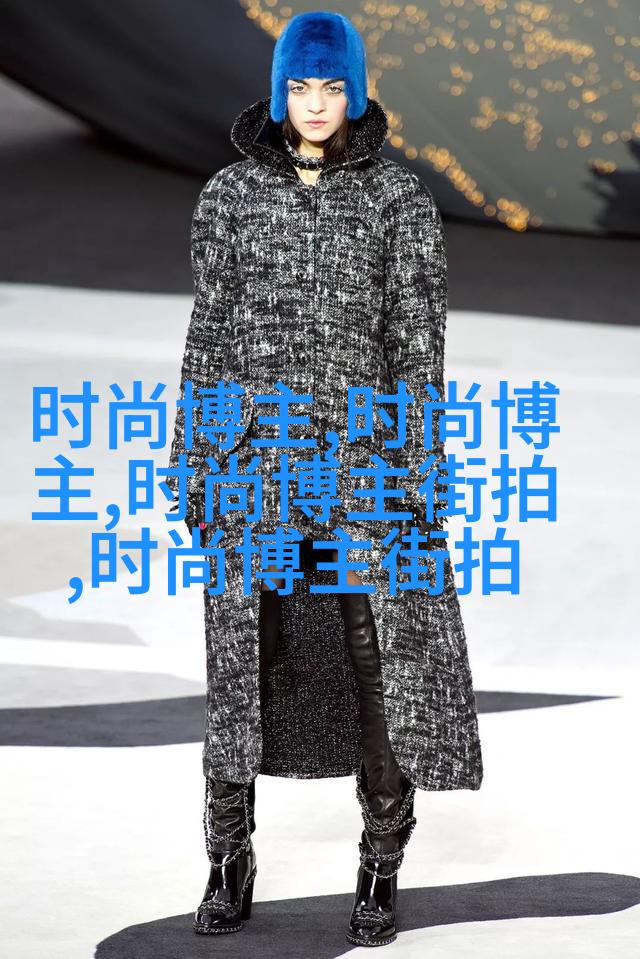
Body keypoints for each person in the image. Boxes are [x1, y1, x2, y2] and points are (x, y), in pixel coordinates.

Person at [166, 10, 483, 948]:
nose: (314, 104)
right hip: (255, 465)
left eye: (332, 86)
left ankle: (381, 862)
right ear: (278, 92)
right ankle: (228, 858)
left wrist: (419, 465)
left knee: (376, 661)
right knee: (241, 664)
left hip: (359, 469)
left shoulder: (398, 198)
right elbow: (208, 336)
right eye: (300, 87)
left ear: (355, 92)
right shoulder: (229, 195)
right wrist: (195, 462)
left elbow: (417, 344)